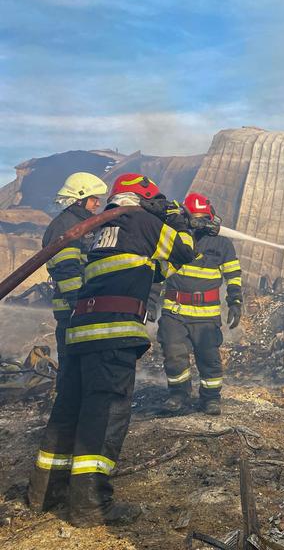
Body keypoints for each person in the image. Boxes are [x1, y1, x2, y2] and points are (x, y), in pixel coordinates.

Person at [27, 173, 195, 527]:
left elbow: (157, 270)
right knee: (103, 414)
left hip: (82, 333)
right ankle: (89, 506)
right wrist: (178, 220)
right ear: (146, 199)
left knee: (70, 408)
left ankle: (44, 492)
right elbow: (185, 250)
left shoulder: (104, 228)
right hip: (112, 332)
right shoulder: (144, 221)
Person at [155, 192, 242, 415]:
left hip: (206, 314)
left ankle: (210, 398)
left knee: (209, 358)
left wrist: (235, 301)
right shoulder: (175, 239)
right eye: (195, 217)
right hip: (174, 312)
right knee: (174, 356)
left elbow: (233, 275)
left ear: (211, 217)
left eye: (203, 216)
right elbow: (157, 273)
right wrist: (148, 303)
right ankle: (178, 395)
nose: (200, 221)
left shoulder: (222, 244)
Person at [42, 172, 108, 375]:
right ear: (79, 200)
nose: (97, 204)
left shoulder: (84, 225)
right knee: (72, 367)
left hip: (83, 306)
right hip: (73, 309)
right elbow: (67, 269)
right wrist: (78, 304)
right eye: (93, 199)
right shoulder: (67, 226)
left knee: (86, 366)